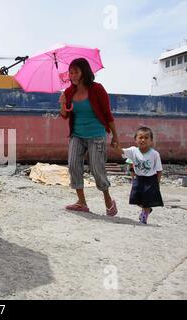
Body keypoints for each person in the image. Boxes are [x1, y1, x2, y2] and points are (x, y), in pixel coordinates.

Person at [59, 58, 120, 216]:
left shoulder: (97, 89)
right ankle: (82, 202)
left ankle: (108, 200)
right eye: (70, 72)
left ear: (84, 72)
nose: (72, 75)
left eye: (75, 72)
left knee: (96, 168)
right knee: (73, 165)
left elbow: (107, 114)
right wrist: (62, 103)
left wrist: (115, 136)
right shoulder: (68, 92)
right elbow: (65, 115)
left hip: (96, 134)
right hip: (77, 135)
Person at [113, 127, 164, 224]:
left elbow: (159, 170)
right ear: (135, 140)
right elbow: (122, 152)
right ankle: (148, 209)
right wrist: (116, 147)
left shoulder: (155, 154)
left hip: (151, 179)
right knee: (135, 198)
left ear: (151, 140)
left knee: (147, 199)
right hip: (138, 178)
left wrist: (157, 183)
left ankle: (144, 216)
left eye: (146, 138)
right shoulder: (133, 151)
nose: (143, 140)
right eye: (140, 137)